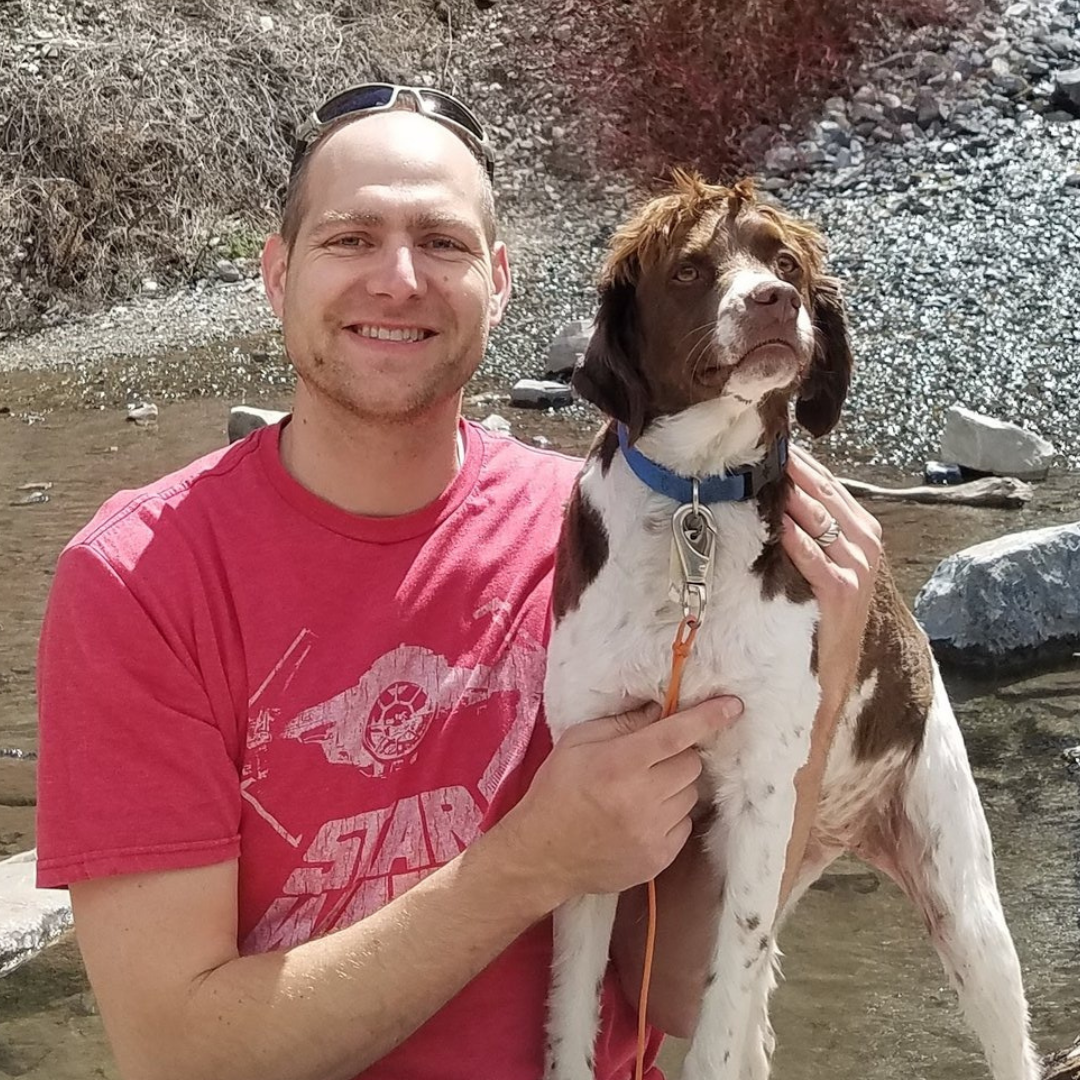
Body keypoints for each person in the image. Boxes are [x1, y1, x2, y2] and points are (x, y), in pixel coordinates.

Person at [35, 85, 882, 1080]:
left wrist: (819, 680)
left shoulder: (608, 540)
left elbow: (680, 990)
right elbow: (178, 1057)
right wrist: (529, 863)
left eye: (441, 244)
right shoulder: (140, 580)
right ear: (275, 275)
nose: (397, 281)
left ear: (500, 281)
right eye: (351, 238)